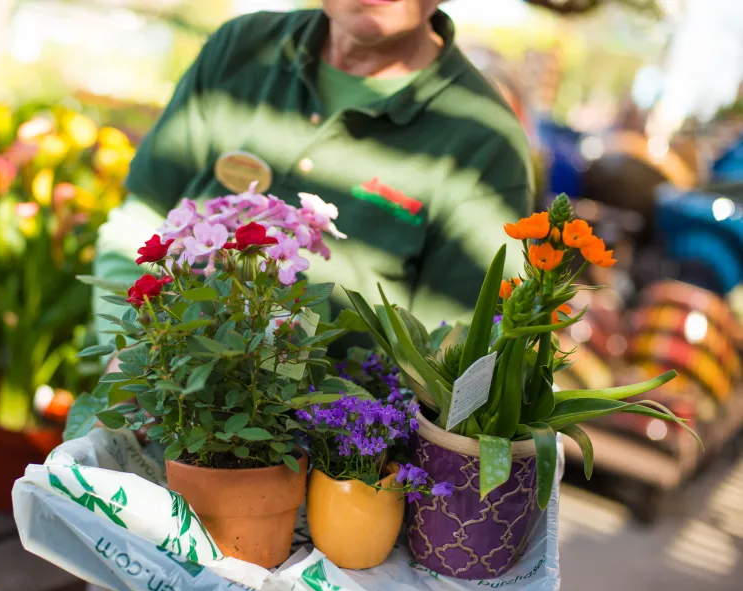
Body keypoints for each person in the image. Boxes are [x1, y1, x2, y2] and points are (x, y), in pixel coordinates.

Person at [95, 0, 533, 352]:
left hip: (327, 447)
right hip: (159, 393)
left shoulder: (484, 141)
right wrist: (133, 352)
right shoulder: (241, 47)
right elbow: (138, 224)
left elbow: (457, 351)